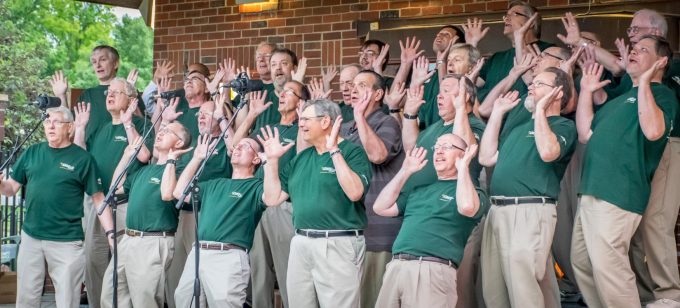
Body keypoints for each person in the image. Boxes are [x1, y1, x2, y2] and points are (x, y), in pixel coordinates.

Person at [573, 35, 678, 308]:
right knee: (582, 263)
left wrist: (645, 81)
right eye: (633, 49)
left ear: (661, 62)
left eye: (643, 50)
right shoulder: (620, 99)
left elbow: (654, 131)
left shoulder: (663, 95)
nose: (633, 52)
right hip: (591, 190)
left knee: (610, 269)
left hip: (619, 193)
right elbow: (586, 133)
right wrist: (585, 90)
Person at [479, 67, 577, 308]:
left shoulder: (563, 126)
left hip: (529, 209)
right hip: (497, 211)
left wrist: (542, 110)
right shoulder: (518, 127)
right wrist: (498, 113)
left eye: (539, 84)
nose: (531, 87)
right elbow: (486, 157)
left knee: (523, 286)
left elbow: (548, 152)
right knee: (495, 288)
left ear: (557, 92)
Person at [260, 98, 372, 308]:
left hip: (337, 243)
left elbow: (355, 192)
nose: (300, 124)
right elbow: (272, 198)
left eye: (305, 119)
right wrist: (272, 161)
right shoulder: (301, 159)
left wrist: (334, 151)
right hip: (301, 242)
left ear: (325, 122)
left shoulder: (352, 152)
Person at [0, 106, 114, 308]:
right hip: (31, 237)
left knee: (67, 300)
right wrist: (1, 184)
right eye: (47, 122)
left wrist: (111, 234)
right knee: (26, 298)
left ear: (69, 127)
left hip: (67, 242)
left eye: (57, 122)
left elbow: (99, 199)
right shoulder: (32, 153)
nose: (50, 126)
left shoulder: (83, 159)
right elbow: (11, 189)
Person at [372, 135, 488, 307]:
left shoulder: (474, 193)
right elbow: (380, 207)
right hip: (397, 266)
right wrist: (405, 171)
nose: (439, 151)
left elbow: (467, 207)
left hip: (431, 270)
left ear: (463, 155)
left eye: (447, 146)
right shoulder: (419, 190)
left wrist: (463, 167)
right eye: (437, 146)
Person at [72, 77, 152, 308]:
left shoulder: (143, 125)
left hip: (126, 205)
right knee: (93, 262)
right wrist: (79, 129)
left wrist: (128, 124)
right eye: (109, 91)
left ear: (132, 100)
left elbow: (144, 155)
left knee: (125, 264)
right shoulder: (101, 128)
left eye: (117, 92)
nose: (110, 94)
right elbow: (81, 159)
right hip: (97, 203)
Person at [169, 135, 273, 307]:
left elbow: (271, 198)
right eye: (236, 146)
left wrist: (269, 162)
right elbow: (179, 192)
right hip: (198, 252)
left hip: (228, 256)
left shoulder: (256, 186)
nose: (237, 148)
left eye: (245, 146)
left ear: (256, 158)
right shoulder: (214, 184)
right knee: (184, 301)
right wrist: (196, 158)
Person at [233, 80, 309, 308]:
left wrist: (303, 120)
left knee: (287, 266)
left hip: (283, 205)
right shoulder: (269, 128)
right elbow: (235, 146)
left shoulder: (302, 130)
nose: (282, 95)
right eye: (282, 91)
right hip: (257, 203)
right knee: (258, 268)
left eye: (290, 92)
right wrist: (251, 115)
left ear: (301, 102)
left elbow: (304, 159)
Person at [100, 121, 192, 308]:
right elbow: (115, 188)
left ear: (179, 143)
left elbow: (168, 194)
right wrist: (126, 157)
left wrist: (171, 160)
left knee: (145, 301)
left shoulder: (181, 171)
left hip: (152, 241)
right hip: (128, 239)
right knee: (111, 297)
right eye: (162, 129)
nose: (160, 132)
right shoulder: (144, 170)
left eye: (167, 131)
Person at [340, 70, 404, 307]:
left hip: (377, 231)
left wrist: (359, 116)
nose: (354, 89)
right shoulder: (345, 128)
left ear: (378, 94)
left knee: (373, 300)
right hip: (347, 231)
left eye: (362, 85)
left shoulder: (387, 122)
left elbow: (377, 155)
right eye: (352, 85)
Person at [163, 96, 234, 308]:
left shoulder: (227, 144)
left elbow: (234, 147)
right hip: (184, 214)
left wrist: (223, 120)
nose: (200, 116)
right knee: (178, 278)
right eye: (199, 113)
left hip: (210, 216)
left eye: (207, 113)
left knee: (208, 280)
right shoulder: (194, 144)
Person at [477, 1, 553, 102]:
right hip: (490, 115)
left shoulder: (549, 51)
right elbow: (473, 86)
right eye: (506, 16)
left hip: (523, 116)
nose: (507, 19)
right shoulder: (496, 57)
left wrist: (519, 38)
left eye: (514, 14)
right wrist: (471, 44)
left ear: (532, 22)